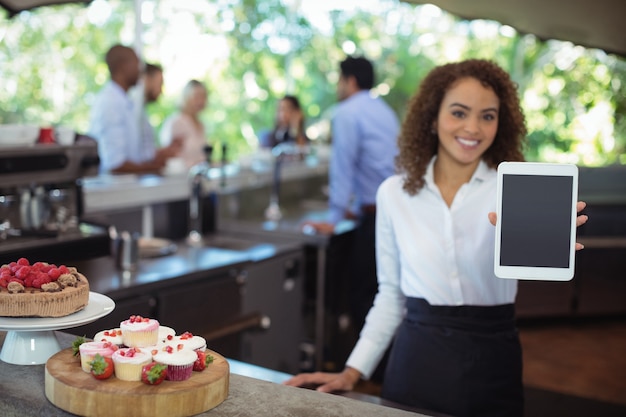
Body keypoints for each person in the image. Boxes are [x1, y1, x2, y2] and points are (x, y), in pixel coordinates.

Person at [285, 59, 589, 417]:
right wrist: (354, 371)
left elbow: (526, 277)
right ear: (432, 117)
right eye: (459, 113)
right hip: (417, 357)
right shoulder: (393, 194)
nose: (473, 128)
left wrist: (545, 248)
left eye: (487, 116)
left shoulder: (515, 191)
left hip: (493, 357)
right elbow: (391, 296)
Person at [306, 56, 400, 345]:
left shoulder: (347, 112)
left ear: (350, 81)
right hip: (394, 211)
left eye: (339, 80)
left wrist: (334, 217)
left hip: (376, 217)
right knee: (385, 291)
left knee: (363, 295)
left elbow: (343, 165)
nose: (337, 86)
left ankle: (368, 376)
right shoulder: (385, 111)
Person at [88, 44, 180, 174]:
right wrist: (156, 168)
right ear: (123, 66)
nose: (140, 71)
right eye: (137, 65)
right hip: (115, 189)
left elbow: (135, 155)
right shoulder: (110, 102)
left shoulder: (125, 102)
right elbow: (115, 165)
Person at [159, 79, 210, 168]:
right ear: (186, 98)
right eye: (196, 96)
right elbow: (169, 155)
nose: (200, 101)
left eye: (203, 97)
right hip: (181, 177)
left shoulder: (201, 125)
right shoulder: (176, 123)